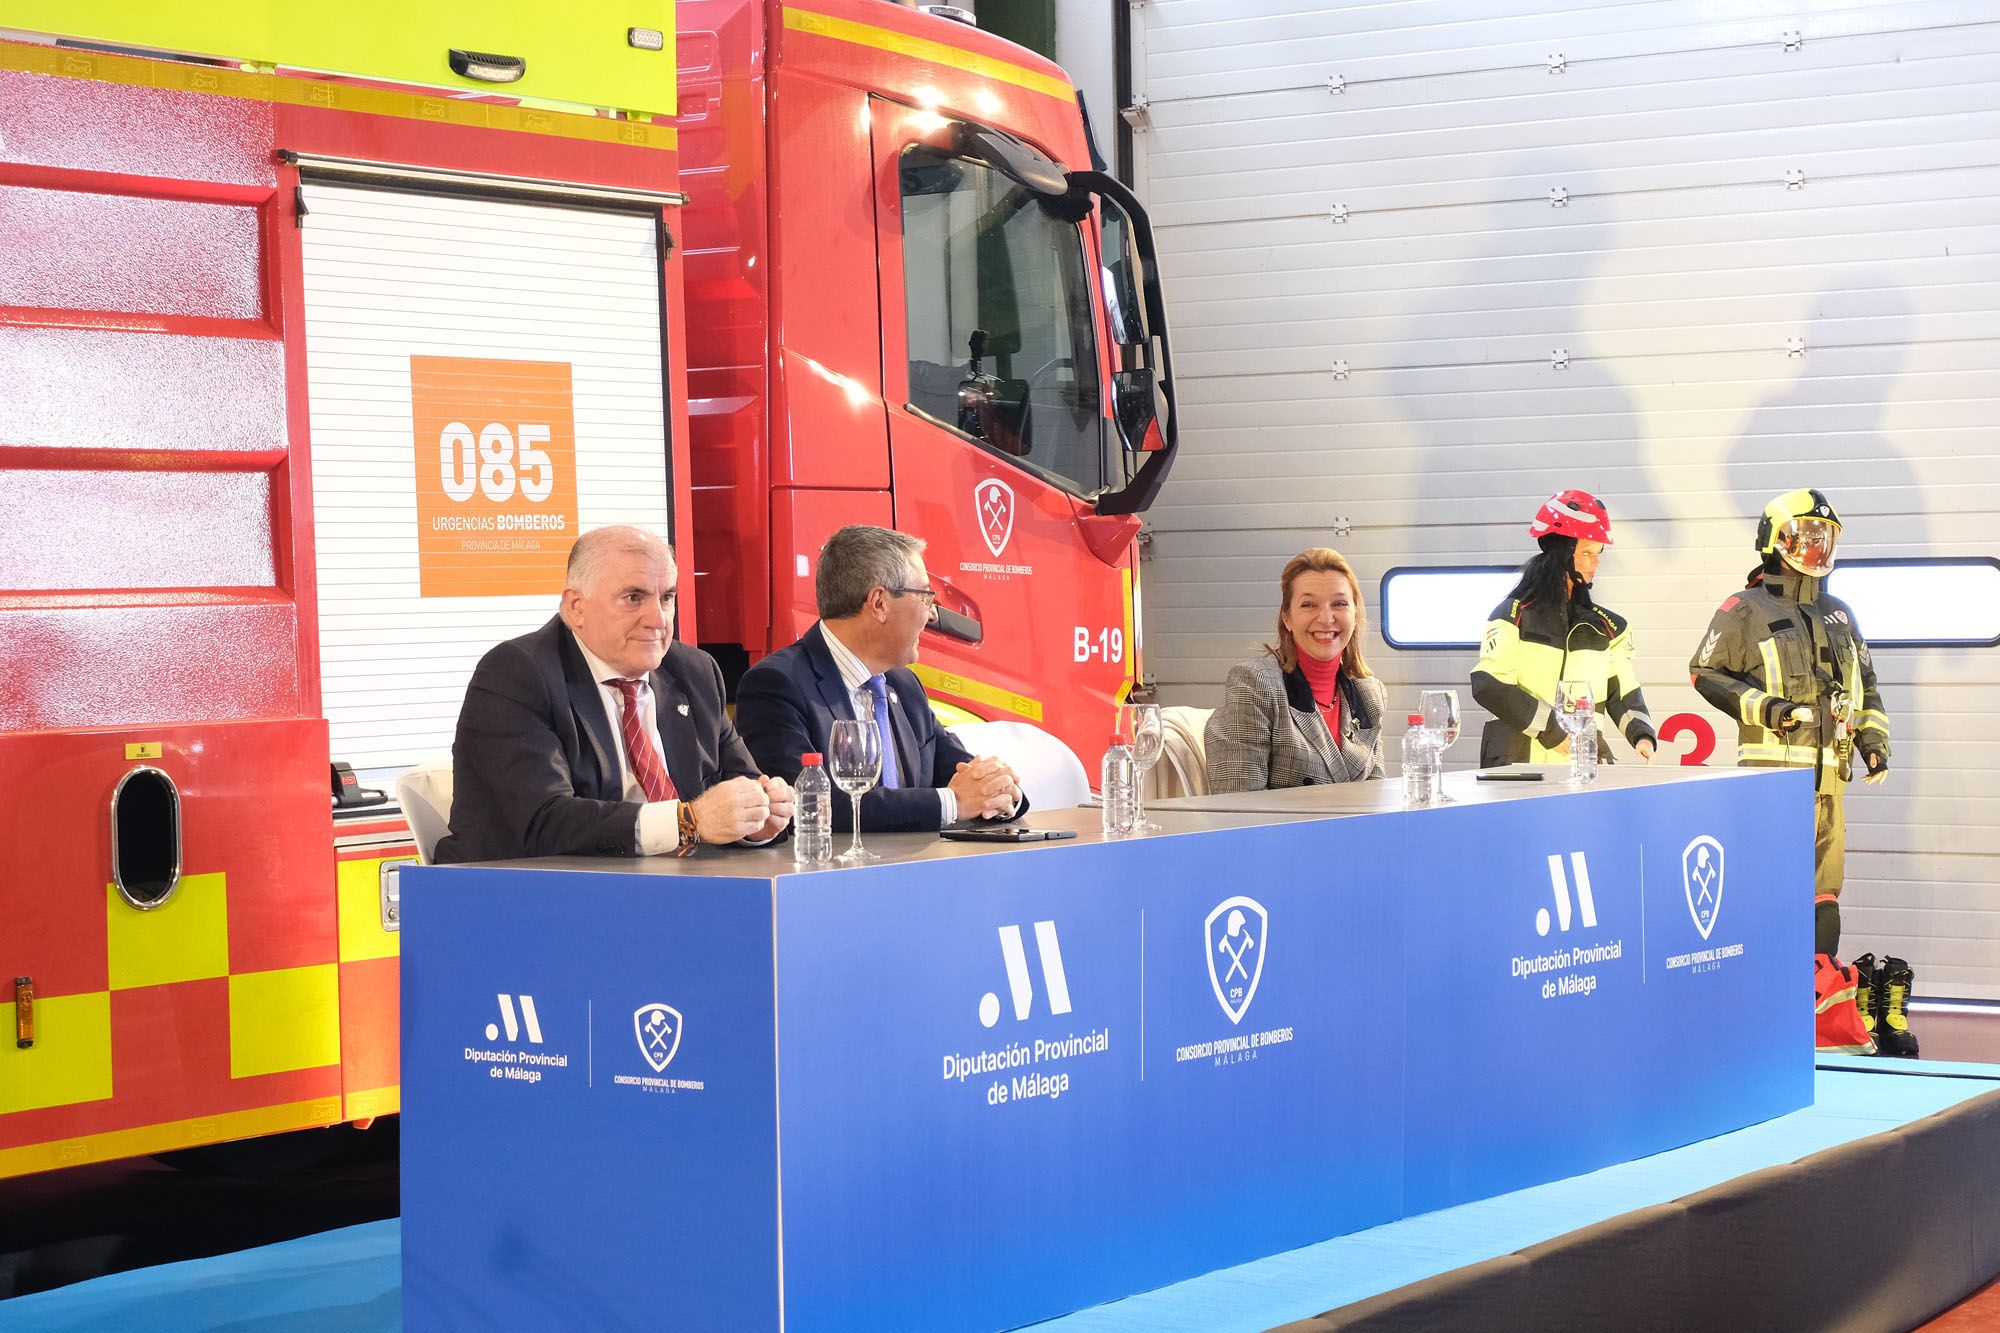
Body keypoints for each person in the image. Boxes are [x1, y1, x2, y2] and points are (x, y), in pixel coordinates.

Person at [435, 525, 792, 863]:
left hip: (666, 892)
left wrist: (758, 819)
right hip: (524, 901)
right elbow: (544, 822)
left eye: (667, 597)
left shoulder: (694, 672)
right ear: (576, 607)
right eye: (634, 598)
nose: (659, 619)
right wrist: (687, 822)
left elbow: (740, 784)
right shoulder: (517, 673)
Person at [1689, 488, 1888, 957]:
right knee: (1770, 894)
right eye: (1806, 535)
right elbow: (1704, 672)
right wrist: (1772, 710)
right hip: (1772, 784)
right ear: (1774, 539)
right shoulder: (1744, 609)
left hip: (1830, 784)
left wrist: (1873, 742)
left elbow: (1868, 686)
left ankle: (1818, 1003)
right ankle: (1766, 997)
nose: (1817, 547)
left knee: (1825, 896)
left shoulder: (1839, 614)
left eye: (1826, 537)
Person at [735, 525, 1027, 832]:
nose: (931, 616)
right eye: (925, 597)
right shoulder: (776, 685)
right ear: (879, 603)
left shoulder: (904, 685)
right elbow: (808, 804)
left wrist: (1000, 790)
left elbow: (960, 772)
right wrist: (952, 803)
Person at [1471, 490, 1657, 767]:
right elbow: (1489, 684)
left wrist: (1642, 735)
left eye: (1598, 554)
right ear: (1562, 553)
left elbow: (1622, 690)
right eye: (1586, 553)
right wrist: (1552, 731)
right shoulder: (1513, 614)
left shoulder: (1609, 627)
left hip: (1582, 762)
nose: (1595, 562)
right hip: (1516, 763)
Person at [1204, 547, 1387, 792]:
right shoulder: (1254, 684)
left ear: (1355, 615)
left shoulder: (1370, 693)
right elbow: (1237, 806)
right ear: (1287, 619)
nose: (1325, 618)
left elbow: (1378, 798)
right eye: (1309, 605)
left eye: (1339, 603)